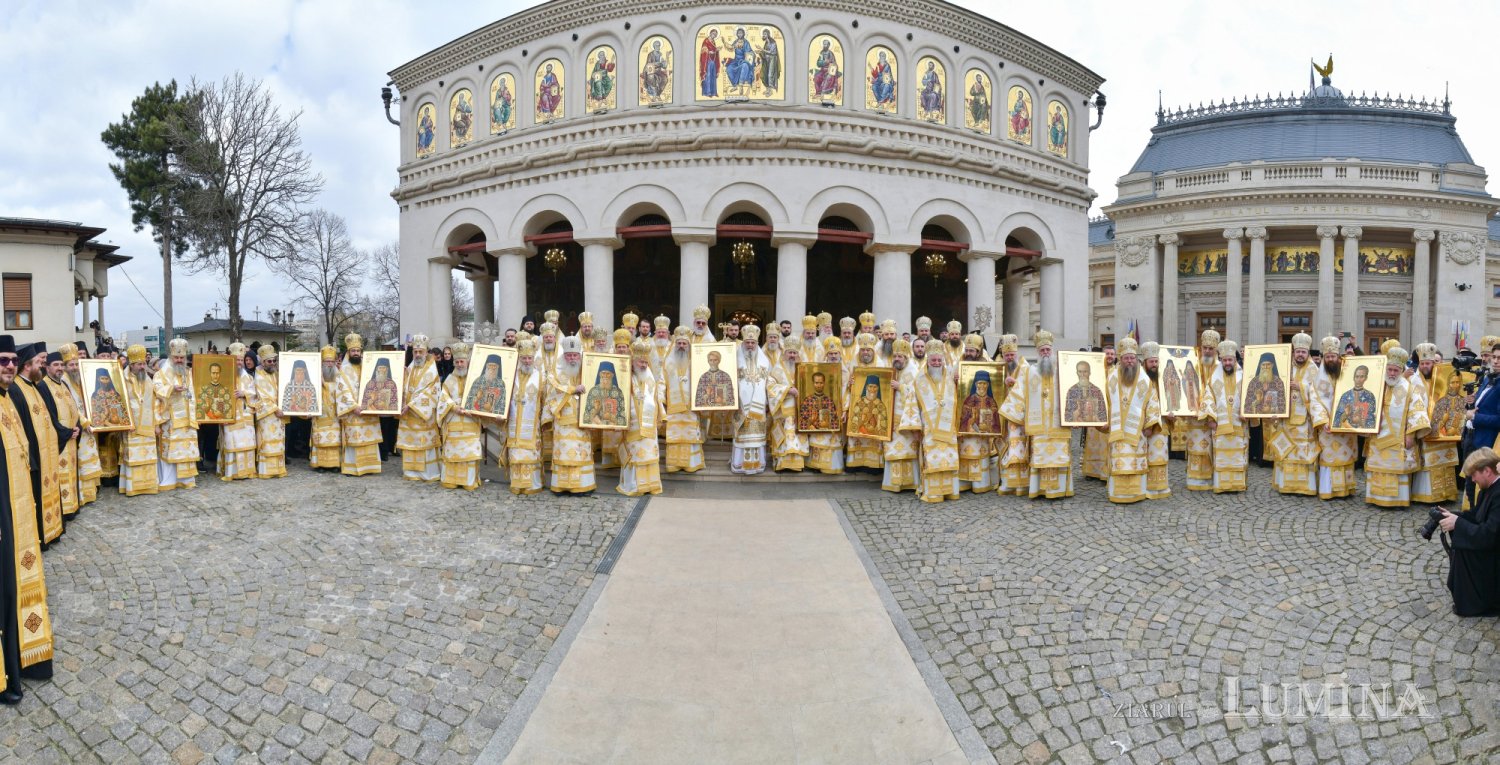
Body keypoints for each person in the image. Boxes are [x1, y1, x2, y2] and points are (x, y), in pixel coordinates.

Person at [0, 334, 53, 706]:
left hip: (19, 517)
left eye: (10, 360)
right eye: (1, 361)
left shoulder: (7, 401)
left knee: (17, 590)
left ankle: (25, 660)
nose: (8, 366)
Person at [1000, 330, 1073, 499]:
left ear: (1052, 350)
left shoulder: (1063, 371)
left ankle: (1060, 489)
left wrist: (1075, 416)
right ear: (1038, 353)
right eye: (1042, 351)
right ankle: (1039, 488)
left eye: (1048, 350)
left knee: (1059, 455)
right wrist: (1018, 417)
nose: (1045, 353)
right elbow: (1020, 394)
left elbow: (1073, 392)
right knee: (1040, 455)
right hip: (1038, 424)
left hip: (1058, 423)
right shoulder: (1030, 371)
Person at [13, 343, 66, 545]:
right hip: (36, 458)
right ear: (27, 365)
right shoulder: (17, 390)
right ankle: (43, 535)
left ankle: (52, 530)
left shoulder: (33, 385)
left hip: (48, 457)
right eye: (38, 363)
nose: (42, 366)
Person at [1438, 447, 1500, 615]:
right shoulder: (1488, 490)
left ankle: (1475, 602)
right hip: (1490, 547)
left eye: (1474, 475)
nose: (1472, 480)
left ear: (1487, 471)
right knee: (1462, 539)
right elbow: (1476, 516)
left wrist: (1458, 523)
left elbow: (1490, 535)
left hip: (1494, 558)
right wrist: (1453, 516)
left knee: (1464, 545)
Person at [1366, 346, 1429, 508]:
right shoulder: (1377, 385)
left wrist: (1411, 435)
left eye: (1395, 370)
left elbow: (1417, 411)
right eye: (1390, 369)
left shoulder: (1409, 388)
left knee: (1396, 468)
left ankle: (1398, 500)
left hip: (1399, 439)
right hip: (1377, 435)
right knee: (1379, 466)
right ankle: (1375, 497)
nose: (1392, 373)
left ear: (1402, 370)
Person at [1268, 334, 1327, 497]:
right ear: (1293, 352)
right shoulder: (1285, 367)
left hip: (1305, 421)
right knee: (1286, 450)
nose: (1300, 354)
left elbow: (1319, 392)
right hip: (1286, 419)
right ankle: (1285, 485)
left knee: (1303, 452)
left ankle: (1305, 487)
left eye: (1303, 352)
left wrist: (1300, 386)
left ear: (1307, 352)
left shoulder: (1314, 369)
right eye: (1298, 351)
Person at [1103, 338, 1160, 504]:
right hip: (1117, 430)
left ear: (1137, 359)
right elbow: (1106, 402)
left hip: (1138, 431)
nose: (1129, 361)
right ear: (1120, 359)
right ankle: (1118, 493)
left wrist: (1150, 424)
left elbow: (1153, 402)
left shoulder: (1145, 380)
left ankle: (1137, 492)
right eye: (1126, 358)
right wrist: (1104, 420)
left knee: (1135, 462)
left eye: (1132, 358)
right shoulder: (1112, 378)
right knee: (1119, 461)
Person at [547, 337, 596, 493]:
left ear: (579, 356)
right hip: (563, 422)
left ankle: (582, 486)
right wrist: (572, 390)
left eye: (575, 355)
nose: (572, 358)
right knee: (564, 452)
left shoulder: (587, 371)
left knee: (580, 453)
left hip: (582, 419)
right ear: (564, 356)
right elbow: (551, 392)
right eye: (569, 355)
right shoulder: (557, 371)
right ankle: (562, 486)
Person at [1412, 343, 1459, 504]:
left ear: (1433, 363)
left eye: (1428, 363)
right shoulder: (1413, 381)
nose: (1426, 366)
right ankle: (1428, 496)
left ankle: (1447, 494)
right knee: (1429, 463)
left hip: (1444, 428)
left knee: (1446, 460)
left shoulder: (1444, 378)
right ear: (1419, 363)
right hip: (1425, 428)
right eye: (1423, 363)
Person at [913, 343, 960, 502]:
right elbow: (913, 402)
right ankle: (933, 492)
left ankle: (950, 491)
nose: (937, 363)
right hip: (930, 427)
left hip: (948, 426)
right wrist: (916, 424)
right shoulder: (919, 378)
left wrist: (959, 383)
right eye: (934, 360)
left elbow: (958, 397)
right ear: (928, 360)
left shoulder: (950, 376)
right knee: (933, 458)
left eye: (939, 360)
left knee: (948, 457)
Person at [436, 343, 484, 491]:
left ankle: (469, 481)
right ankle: (451, 479)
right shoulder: (449, 379)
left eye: (462, 361)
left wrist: (475, 407)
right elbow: (443, 398)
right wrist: (454, 407)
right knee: (453, 452)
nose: (459, 364)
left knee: (468, 453)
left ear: (467, 361)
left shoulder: (476, 379)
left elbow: (483, 398)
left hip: (471, 421)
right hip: (454, 421)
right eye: (456, 362)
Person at [730, 326, 777, 475]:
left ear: (757, 344)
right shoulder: (734, 359)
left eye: (753, 343)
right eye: (747, 342)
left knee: (756, 437)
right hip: (741, 405)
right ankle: (739, 463)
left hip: (759, 406)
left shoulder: (765, 361)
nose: (750, 345)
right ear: (743, 343)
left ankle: (757, 464)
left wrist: (770, 402)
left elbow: (769, 381)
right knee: (742, 436)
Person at [619, 339, 664, 495]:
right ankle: (634, 486)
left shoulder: (650, 379)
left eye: (645, 362)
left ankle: (650, 485)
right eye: (640, 362)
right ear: (633, 362)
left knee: (649, 453)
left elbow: (657, 399)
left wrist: (660, 417)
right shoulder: (625, 376)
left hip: (649, 426)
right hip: (631, 423)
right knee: (635, 454)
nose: (643, 365)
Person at [60, 345, 102, 507]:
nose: (75, 367)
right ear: (65, 366)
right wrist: (85, 422)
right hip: (78, 426)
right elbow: (72, 406)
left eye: (77, 364)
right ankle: (82, 495)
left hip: (90, 425)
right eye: (71, 364)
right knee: (82, 459)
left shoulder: (81, 378)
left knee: (90, 456)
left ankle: (91, 492)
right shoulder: (64, 381)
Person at [41, 352, 81, 520]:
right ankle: (63, 510)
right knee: (61, 474)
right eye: (55, 365)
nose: (59, 368)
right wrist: (67, 432)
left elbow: (74, 409)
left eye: (61, 365)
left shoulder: (63, 383)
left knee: (71, 473)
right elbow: (49, 416)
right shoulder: (44, 386)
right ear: (47, 367)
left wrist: (77, 427)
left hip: (71, 437)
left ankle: (72, 506)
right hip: (61, 440)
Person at [397, 335, 442, 482]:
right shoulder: (410, 368)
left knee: (424, 444)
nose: (417, 355)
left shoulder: (432, 371)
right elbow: (404, 388)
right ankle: (411, 472)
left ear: (426, 352)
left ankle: (428, 473)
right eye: (415, 351)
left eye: (420, 352)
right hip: (408, 415)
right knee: (411, 443)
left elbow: (432, 393)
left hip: (423, 416)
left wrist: (411, 406)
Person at [1205, 340, 1249, 493]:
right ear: (1221, 360)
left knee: (1238, 454)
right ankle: (1221, 485)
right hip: (1220, 424)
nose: (1228, 363)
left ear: (1235, 360)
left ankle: (1237, 485)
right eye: (1225, 360)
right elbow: (1208, 397)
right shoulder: (1214, 377)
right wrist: (1211, 418)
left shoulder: (1244, 376)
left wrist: (1248, 412)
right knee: (1222, 455)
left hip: (1239, 423)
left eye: (1230, 359)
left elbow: (1251, 397)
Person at [660, 328, 705, 473]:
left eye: (684, 344)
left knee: (690, 435)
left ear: (688, 346)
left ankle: (691, 464)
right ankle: (674, 464)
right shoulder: (668, 363)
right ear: (675, 344)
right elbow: (661, 382)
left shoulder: (696, 363)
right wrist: (661, 400)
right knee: (675, 437)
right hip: (673, 407)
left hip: (691, 406)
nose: (681, 346)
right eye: (678, 343)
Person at [119, 344, 160, 497]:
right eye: (139, 364)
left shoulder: (147, 380)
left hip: (147, 425)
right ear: (131, 364)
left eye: (144, 363)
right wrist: (125, 422)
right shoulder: (122, 379)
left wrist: (156, 424)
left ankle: (148, 486)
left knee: (148, 456)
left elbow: (154, 402)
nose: (143, 367)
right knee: (133, 456)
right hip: (132, 426)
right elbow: (119, 403)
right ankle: (132, 487)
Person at [881, 339, 922, 493]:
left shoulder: (913, 371)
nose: (897, 359)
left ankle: (910, 482)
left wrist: (901, 387)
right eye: (895, 356)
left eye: (900, 356)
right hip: (892, 418)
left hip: (907, 421)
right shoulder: (893, 370)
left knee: (908, 452)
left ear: (906, 358)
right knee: (893, 451)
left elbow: (917, 393)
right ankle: (894, 483)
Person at [1184, 330, 1221, 491]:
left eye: (1210, 348)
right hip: (1196, 415)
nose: (1207, 351)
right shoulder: (1192, 365)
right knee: (1197, 447)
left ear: (1216, 350)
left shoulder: (1222, 367)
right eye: (1204, 348)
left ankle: (1215, 478)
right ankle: (1196, 479)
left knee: (1216, 448)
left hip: (1216, 417)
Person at [808, 337, 847, 474]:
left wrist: (845, 409)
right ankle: (817, 464)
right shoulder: (820, 368)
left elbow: (848, 391)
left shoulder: (845, 370)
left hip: (837, 407)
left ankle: (832, 465)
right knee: (820, 433)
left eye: (836, 353)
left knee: (833, 437)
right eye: (831, 354)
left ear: (839, 354)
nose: (833, 356)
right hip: (821, 405)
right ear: (827, 354)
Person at [845, 334, 884, 471]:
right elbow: (845, 384)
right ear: (859, 351)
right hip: (858, 404)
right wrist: (849, 384)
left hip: (874, 406)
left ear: (873, 351)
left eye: (868, 350)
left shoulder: (880, 364)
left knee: (873, 431)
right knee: (857, 431)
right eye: (863, 350)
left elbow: (884, 387)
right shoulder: (852, 363)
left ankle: (872, 466)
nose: (865, 353)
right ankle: (855, 465)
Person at [1139, 342, 1172, 500]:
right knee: (1145, 457)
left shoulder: (1163, 378)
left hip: (1162, 425)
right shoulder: (1139, 379)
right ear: (1144, 362)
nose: (1154, 364)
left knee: (1160, 455)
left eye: (1156, 361)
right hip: (1143, 425)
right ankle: (1145, 486)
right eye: (1151, 361)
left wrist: (1173, 412)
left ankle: (1160, 487)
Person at [768, 344, 809, 472]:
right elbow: (770, 386)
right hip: (783, 411)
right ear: (785, 353)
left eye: (794, 353)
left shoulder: (804, 368)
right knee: (785, 437)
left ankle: (797, 465)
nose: (792, 355)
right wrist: (787, 390)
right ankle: (782, 464)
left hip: (800, 410)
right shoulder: (777, 368)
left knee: (796, 437)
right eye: (789, 352)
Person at [309, 346, 342, 470]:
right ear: (322, 363)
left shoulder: (339, 375)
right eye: (327, 362)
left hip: (334, 414)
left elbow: (341, 390)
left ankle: (334, 464)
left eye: (331, 362)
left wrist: (325, 384)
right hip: (320, 414)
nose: (329, 364)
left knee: (334, 440)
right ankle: (320, 464)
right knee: (320, 440)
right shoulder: (314, 375)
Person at [582, 361, 627, 428]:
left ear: (612, 375)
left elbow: (622, 418)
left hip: (613, 430)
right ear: (599, 375)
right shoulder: (593, 391)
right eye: (603, 373)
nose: (605, 376)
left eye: (608, 374)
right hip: (596, 428)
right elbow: (586, 416)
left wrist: (611, 418)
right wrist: (596, 411)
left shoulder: (618, 392)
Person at [1244, 351, 1288, 416]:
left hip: (1273, 419)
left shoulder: (1278, 382)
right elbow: (1248, 402)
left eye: (1268, 364)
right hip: (1256, 419)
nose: (1265, 367)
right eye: (1263, 365)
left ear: (1272, 365)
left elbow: (1282, 404)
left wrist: (1275, 412)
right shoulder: (1253, 382)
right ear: (1260, 366)